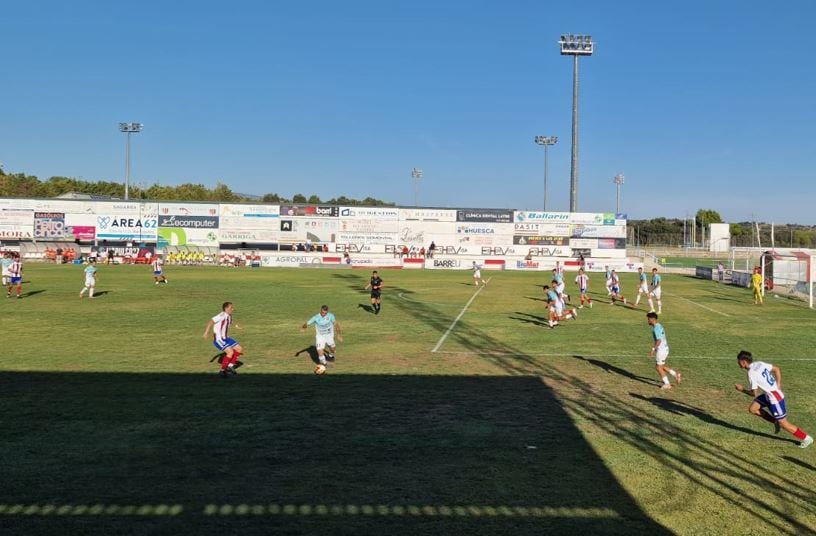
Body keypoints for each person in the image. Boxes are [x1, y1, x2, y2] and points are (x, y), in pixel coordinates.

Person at [735, 350, 812, 449]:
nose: (738, 363)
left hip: (775, 399)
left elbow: (754, 393)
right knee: (753, 409)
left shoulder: (751, 373)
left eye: (738, 361)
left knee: (784, 424)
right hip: (768, 395)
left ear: (743, 362)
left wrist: (742, 389)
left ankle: (806, 438)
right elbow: (776, 369)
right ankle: (775, 421)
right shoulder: (759, 363)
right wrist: (778, 384)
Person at [202, 302, 244, 378]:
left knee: (239, 349)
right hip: (219, 339)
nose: (233, 309)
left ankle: (230, 367)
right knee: (230, 352)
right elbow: (211, 321)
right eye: (231, 307)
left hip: (226, 338)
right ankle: (222, 371)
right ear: (226, 308)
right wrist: (206, 332)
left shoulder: (229, 315)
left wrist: (236, 326)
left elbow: (230, 321)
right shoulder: (221, 315)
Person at [647, 312, 681, 390]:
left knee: (658, 367)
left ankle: (667, 384)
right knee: (662, 366)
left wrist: (653, 349)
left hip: (661, 350)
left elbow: (659, 340)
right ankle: (676, 374)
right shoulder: (659, 325)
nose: (648, 321)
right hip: (665, 348)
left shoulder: (656, 328)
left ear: (653, 319)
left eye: (648, 319)